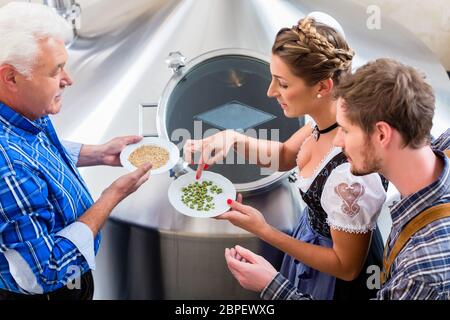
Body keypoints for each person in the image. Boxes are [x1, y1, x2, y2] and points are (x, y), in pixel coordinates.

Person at [184, 16, 388, 300]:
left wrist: (263, 230)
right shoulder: (329, 116)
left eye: (282, 83)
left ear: (322, 87)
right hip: (313, 241)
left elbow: (347, 267)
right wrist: (231, 138)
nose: (270, 91)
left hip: (335, 281)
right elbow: (284, 156)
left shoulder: (350, 171)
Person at [225, 58, 450, 300]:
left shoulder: (421, 274)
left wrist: (272, 285)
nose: (337, 141)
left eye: (346, 130)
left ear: (382, 134)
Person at [0, 2, 151, 300]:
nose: (69, 79)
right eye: (56, 71)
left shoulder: (23, 112)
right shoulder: (7, 169)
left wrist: (98, 154)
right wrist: (111, 197)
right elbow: (45, 273)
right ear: (11, 77)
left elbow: (33, 151)